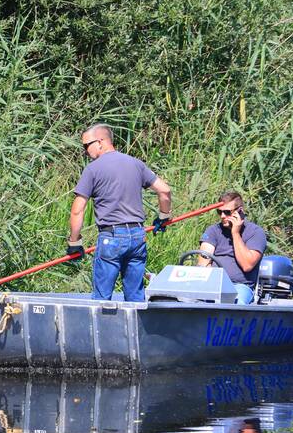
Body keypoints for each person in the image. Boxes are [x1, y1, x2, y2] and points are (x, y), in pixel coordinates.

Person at [67, 124, 172, 302]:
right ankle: (136, 328)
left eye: (86, 145)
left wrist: (74, 242)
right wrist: (163, 216)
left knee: (102, 299)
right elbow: (164, 191)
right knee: (135, 297)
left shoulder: (93, 169)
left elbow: (78, 209)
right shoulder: (136, 164)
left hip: (112, 238)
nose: (85, 151)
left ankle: (102, 329)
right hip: (138, 236)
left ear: (100, 142)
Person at [196, 191, 266, 305]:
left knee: (236, 303)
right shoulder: (213, 231)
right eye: (219, 212)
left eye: (227, 212)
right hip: (213, 284)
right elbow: (203, 262)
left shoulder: (255, 232)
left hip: (240, 287)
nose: (223, 216)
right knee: (192, 300)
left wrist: (235, 233)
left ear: (240, 211)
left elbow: (247, 265)